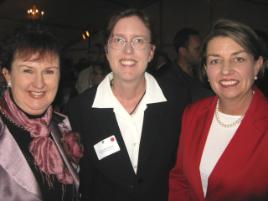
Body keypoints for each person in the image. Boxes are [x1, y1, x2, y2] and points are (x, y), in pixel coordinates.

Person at [67, 8, 190, 201]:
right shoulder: (79, 109)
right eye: (119, 40)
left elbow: (182, 170)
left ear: (151, 52)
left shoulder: (178, 101)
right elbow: (84, 180)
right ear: (107, 50)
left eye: (138, 41)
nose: (128, 50)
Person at [168, 19, 268, 201]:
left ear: (257, 65)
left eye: (238, 59)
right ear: (206, 69)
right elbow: (180, 178)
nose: (225, 70)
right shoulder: (192, 114)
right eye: (215, 61)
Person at [0, 27, 83, 201]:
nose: (39, 84)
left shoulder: (63, 124)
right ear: (7, 75)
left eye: (49, 71)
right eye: (28, 70)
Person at [155, 28, 213, 102]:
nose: (202, 53)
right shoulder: (167, 80)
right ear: (183, 51)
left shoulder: (202, 74)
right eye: (197, 49)